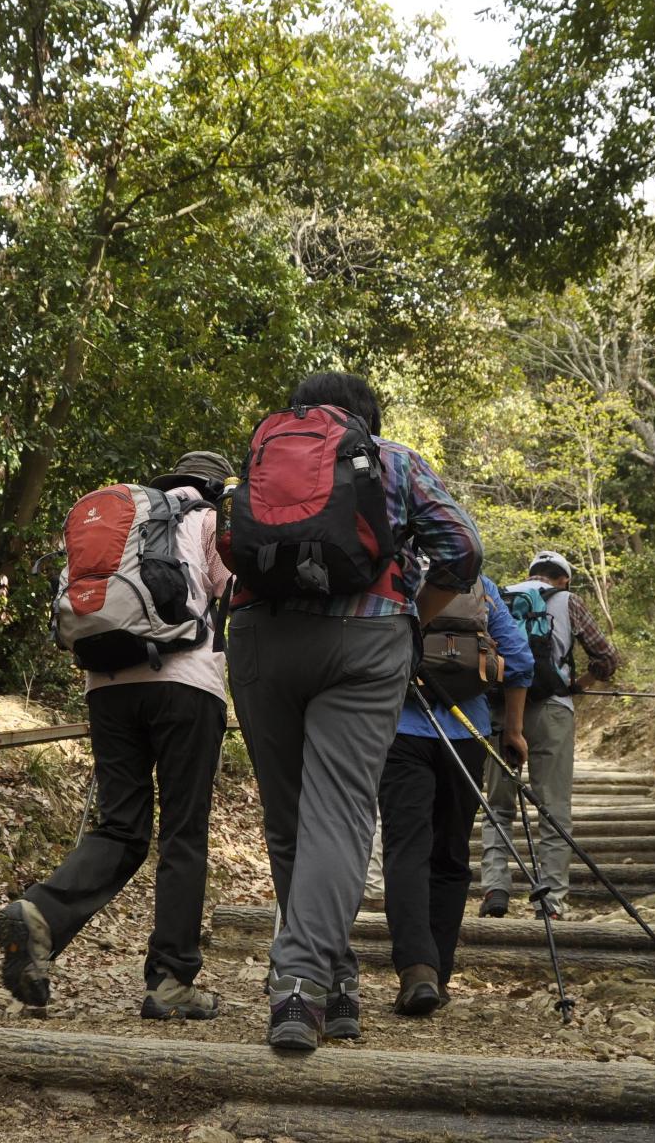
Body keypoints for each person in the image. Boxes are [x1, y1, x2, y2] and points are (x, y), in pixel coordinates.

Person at [227, 372, 482, 1052]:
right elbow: (463, 549)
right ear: (368, 416)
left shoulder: (263, 455)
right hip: (365, 639)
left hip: (260, 635)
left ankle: (337, 985)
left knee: (288, 823)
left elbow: (234, 547)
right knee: (338, 814)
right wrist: (412, 620)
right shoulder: (394, 458)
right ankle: (304, 988)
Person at [0, 450, 236, 1020]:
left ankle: (42, 914)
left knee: (121, 828)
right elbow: (230, 590)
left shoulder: (127, 519)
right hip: (186, 685)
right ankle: (171, 981)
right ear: (213, 486)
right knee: (182, 834)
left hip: (106, 687)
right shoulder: (207, 519)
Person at [380, 573, 531, 1016]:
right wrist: (516, 731)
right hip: (469, 735)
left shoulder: (396, 576)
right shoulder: (478, 585)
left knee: (406, 851)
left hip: (400, 731)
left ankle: (417, 970)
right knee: (449, 857)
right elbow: (519, 659)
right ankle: (439, 975)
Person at [479, 550, 620, 919]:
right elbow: (606, 658)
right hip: (553, 709)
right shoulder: (568, 601)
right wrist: (579, 684)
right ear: (564, 579)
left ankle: (495, 886)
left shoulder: (498, 595)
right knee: (553, 807)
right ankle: (551, 900)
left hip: (499, 709)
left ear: (530, 574)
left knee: (498, 804)